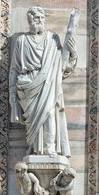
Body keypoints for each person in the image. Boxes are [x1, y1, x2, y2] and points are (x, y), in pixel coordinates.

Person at [9, 6, 78, 157]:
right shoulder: (21, 41)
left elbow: (62, 66)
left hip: (48, 83)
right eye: (36, 18)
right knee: (34, 120)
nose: (39, 21)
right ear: (29, 21)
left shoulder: (52, 39)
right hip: (27, 85)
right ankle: (35, 149)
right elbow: (14, 69)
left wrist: (72, 53)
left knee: (49, 112)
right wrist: (12, 94)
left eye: (41, 18)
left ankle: (49, 148)